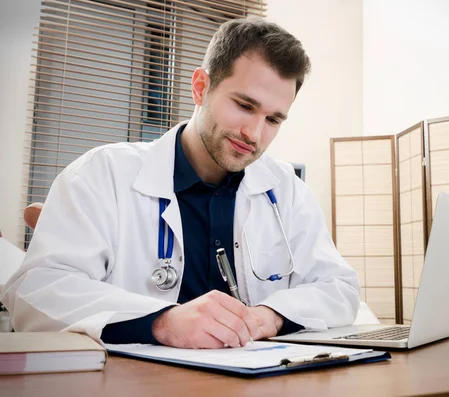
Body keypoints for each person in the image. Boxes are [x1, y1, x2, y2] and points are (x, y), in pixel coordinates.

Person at [0, 18, 360, 349]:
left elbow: (340, 289)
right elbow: (35, 292)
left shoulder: (287, 192)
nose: (255, 133)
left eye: (274, 119)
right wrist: (162, 322)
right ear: (201, 87)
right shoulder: (102, 174)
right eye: (244, 106)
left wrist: (269, 315)